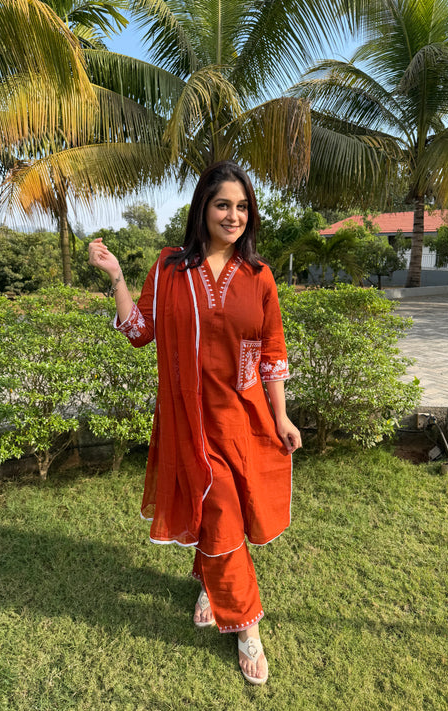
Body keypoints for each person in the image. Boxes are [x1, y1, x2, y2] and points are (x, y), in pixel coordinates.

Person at [88, 160, 301, 685]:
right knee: (220, 507)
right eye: (223, 204)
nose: (233, 216)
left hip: (242, 419)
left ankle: (210, 582)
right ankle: (247, 625)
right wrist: (116, 276)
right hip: (188, 421)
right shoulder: (169, 268)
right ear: (203, 208)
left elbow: (272, 353)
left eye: (242, 207)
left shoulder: (259, 276)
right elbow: (139, 331)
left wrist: (280, 415)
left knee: (225, 509)